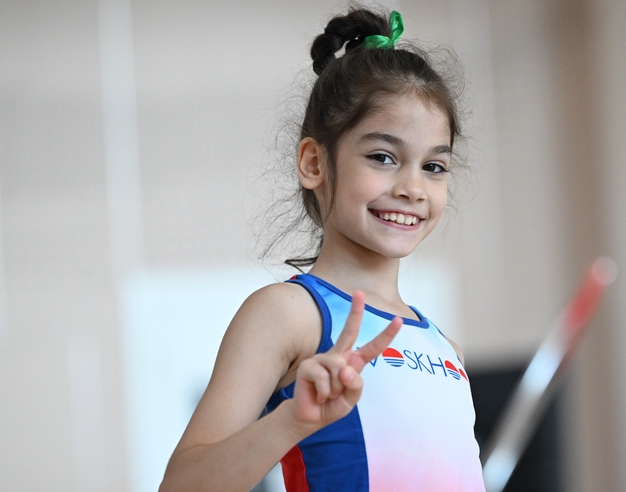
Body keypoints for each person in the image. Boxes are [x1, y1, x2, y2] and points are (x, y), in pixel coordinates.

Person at [159, 7, 485, 492]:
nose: (413, 188)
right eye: (383, 157)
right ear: (315, 162)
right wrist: (291, 420)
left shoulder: (445, 347)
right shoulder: (288, 314)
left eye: (434, 167)